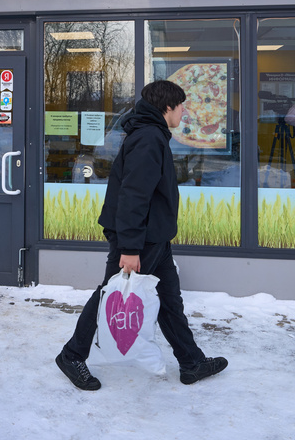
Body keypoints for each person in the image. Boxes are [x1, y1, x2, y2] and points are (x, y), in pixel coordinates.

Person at [56, 80, 228, 390]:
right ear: (167, 107)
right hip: (140, 239)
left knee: (169, 301)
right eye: (181, 106)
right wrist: (130, 247)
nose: (184, 112)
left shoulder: (152, 136)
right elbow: (134, 196)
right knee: (112, 297)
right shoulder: (149, 138)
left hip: (154, 237)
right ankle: (72, 355)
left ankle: (191, 362)